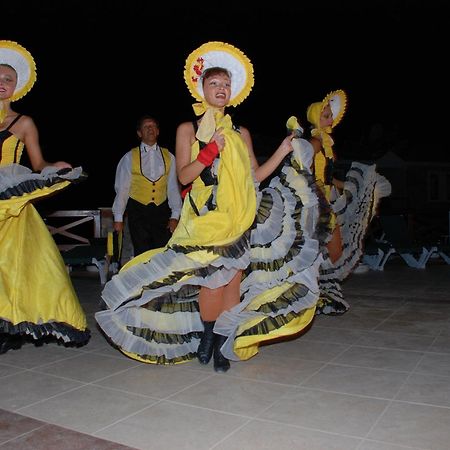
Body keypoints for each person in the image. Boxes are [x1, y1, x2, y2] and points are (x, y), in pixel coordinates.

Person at [96, 41, 322, 373]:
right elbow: (184, 175)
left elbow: (253, 176)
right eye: (214, 83)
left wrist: (282, 150)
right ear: (201, 88)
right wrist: (209, 151)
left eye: (226, 84)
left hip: (239, 215)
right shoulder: (188, 128)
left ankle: (220, 343)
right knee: (212, 281)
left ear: (233, 92)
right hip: (204, 217)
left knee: (232, 281)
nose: (221, 88)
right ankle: (205, 335)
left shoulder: (240, 132)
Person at [0, 40, 90, 353]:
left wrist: (56, 167)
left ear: (16, 87)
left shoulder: (24, 123)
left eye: (8, 80)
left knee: (16, 267)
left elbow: (37, 164)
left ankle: (11, 325)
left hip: (10, 204)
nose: (2, 84)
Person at [306, 90, 391, 314]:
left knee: (331, 251)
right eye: (325, 115)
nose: (329, 118)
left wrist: (352, 187)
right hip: (316, 202)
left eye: (330, 115)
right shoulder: (314, 141)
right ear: (316, 117)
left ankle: (319, 294)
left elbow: (328, 176)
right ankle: (315, 294)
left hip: (329, 198)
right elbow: (300, 164)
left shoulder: (327, 144)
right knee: (326, 250)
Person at [112, 115, 182, 257]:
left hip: (162, 212)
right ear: (139, 133)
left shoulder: (169, 156)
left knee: (163, 253)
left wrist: (175, 215)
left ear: (157, 131)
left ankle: (161, 280)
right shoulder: (129, 157)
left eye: (153, 126)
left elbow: (173, 187)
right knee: (142, 254)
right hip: (138, 212)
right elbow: (122, 189)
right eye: (146, 126)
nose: (150, 129)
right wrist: (118, 218)